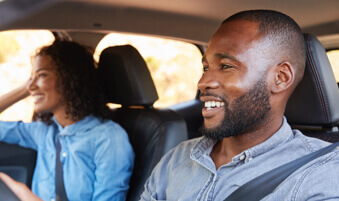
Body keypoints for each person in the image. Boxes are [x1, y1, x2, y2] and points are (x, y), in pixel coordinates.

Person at [140, 10, 339, 200]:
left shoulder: (321, 172)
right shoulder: (178, 158)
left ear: (280, 78)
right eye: (206, 67)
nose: (203, 82)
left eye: (226, 66)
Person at [0, 40, 134, 200]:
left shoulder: (109, 139)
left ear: (70, 79)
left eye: (42, 75)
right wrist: (24, 89)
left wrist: (20, 190)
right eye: (31, 78)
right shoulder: (44, 132)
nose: (32, 86)